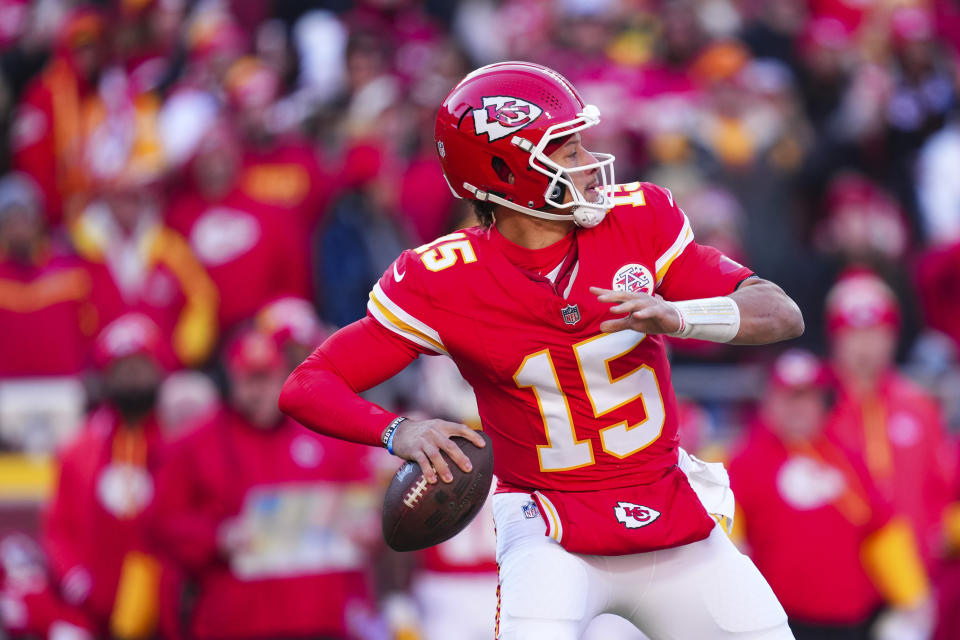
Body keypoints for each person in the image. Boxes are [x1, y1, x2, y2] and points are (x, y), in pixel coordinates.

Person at [281, 61, 804, 639]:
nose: (588, 165)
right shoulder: (445, 277)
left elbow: (781, 312)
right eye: (567, 150)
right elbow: (307, 384)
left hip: (670, 516)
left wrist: (680, 315)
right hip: (551, 530)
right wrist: (398, 431)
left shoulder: (638, 220)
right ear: (505, 172)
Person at [152, 327, 382, 640]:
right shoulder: (193, 445)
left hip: (323, 615)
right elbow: (162, 523)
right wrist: (218, 537)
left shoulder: (329, 431)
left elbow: (365, 500)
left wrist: (370, 527)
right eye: (249, 379)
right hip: (239, 620)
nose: (259, 390)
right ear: (231, 380)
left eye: (267, 377)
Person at [729, 349, 932, 640]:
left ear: (823, 403)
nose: (796, 408)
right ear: (769, 402)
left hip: (850, 623)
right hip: (777, 622)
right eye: (787, 396)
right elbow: (730, 539)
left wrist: (913, 597)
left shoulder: (847, 460)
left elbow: (881, 531)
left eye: (806, 397)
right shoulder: (744, 462)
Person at [43, 312, 176, 639]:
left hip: (167, 602)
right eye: (123, 369)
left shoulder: (180, 442)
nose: (133, 378)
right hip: (97, 605)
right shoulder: (79, 448)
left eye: (141, 367)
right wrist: (74, 577)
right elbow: (59, 526)